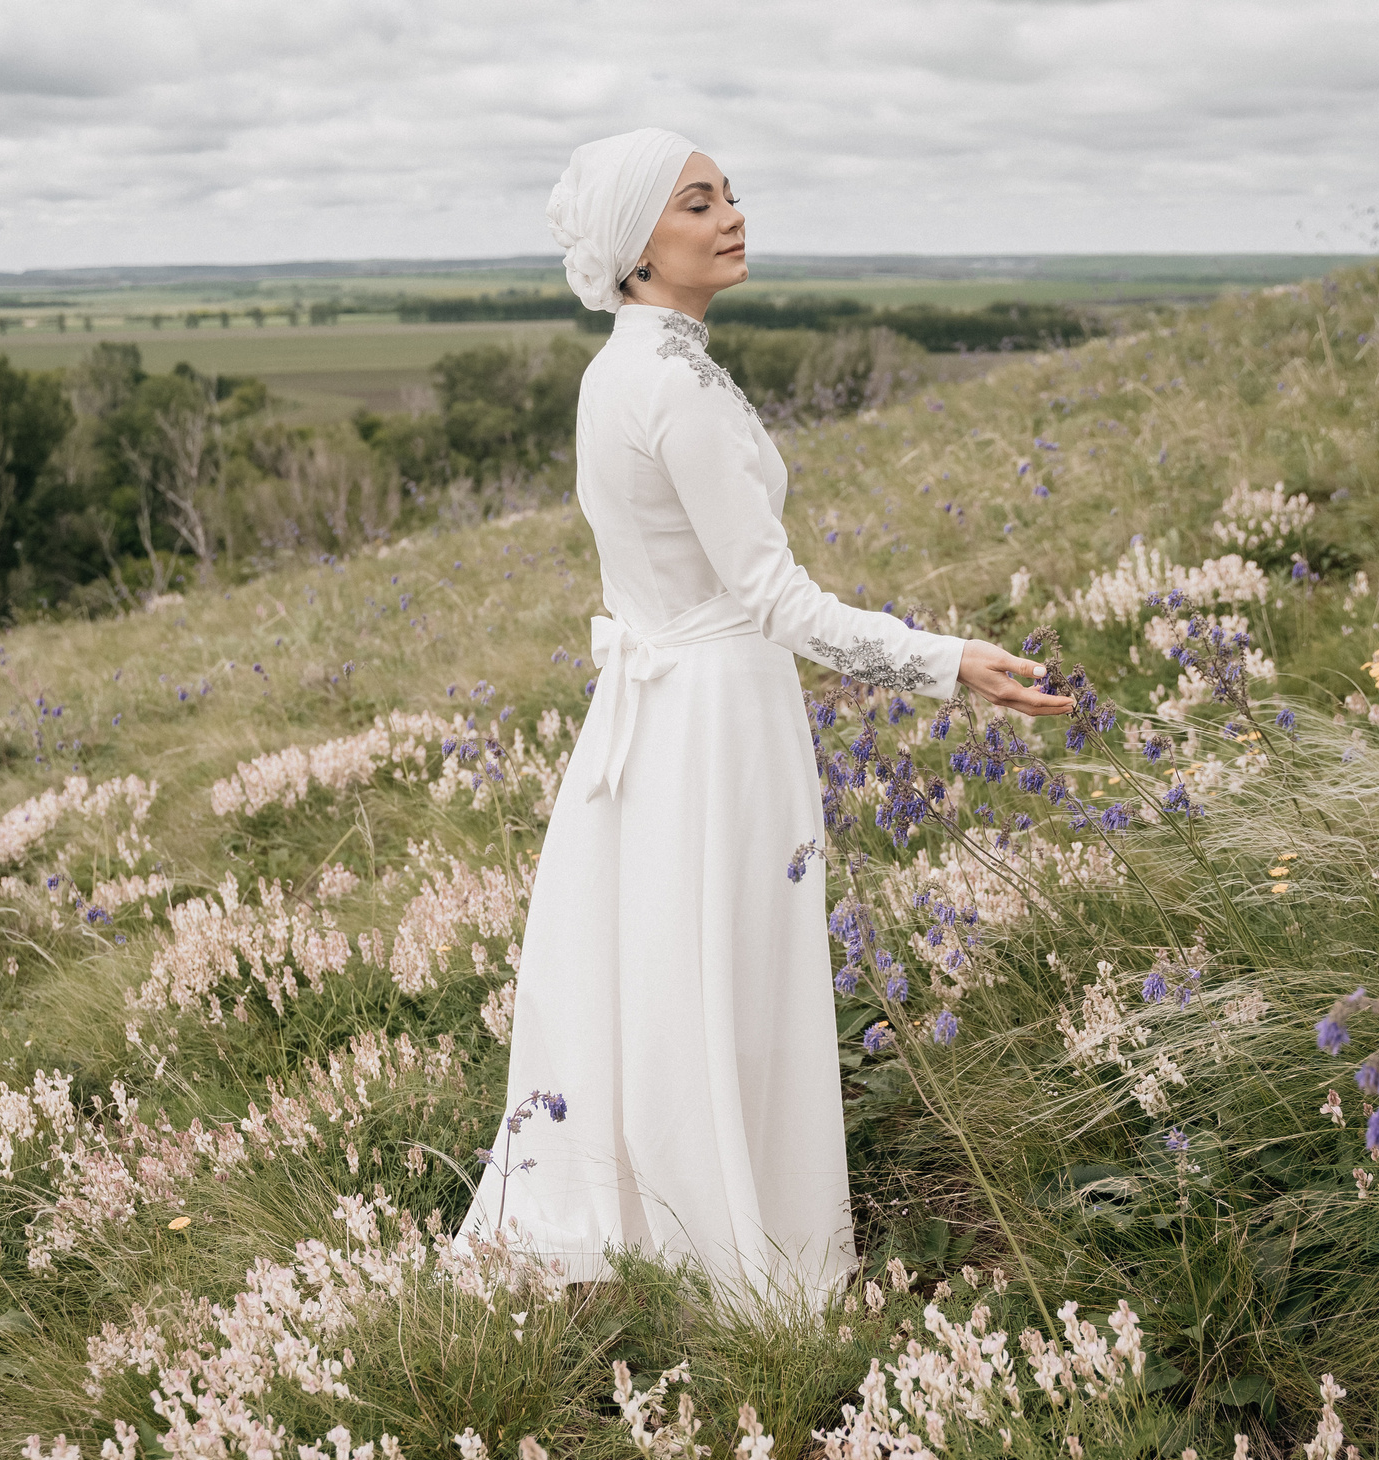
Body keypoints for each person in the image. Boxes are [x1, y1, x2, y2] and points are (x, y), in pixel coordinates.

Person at [457, 127, 1071, 1306]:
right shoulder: (673, 384)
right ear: (639, 245)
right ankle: (748, 1265)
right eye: (697, 202)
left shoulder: (622, 368)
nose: (730, 215)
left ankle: (666, 1237)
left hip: (652, 713)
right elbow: (775, 601)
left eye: (730, 193)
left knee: (665, 976)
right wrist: (948, 662)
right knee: (727, 977)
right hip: (714, 721)